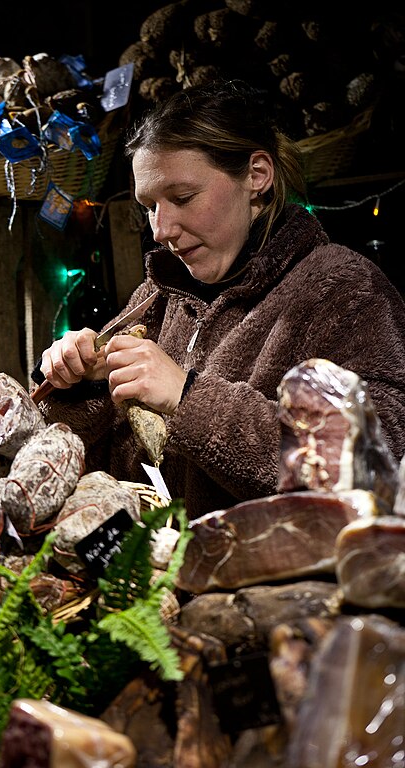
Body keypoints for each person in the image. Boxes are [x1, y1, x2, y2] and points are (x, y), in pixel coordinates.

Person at [32, 78, 405, 520]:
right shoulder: (158, 295)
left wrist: (187, 399)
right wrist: (84, 385)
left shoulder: (344, 290)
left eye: (183, 198)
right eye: (149, 205)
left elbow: (372, 463)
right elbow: (98, 466)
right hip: (154, 577)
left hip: (270, 584)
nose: (160, 229)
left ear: (257, 176)